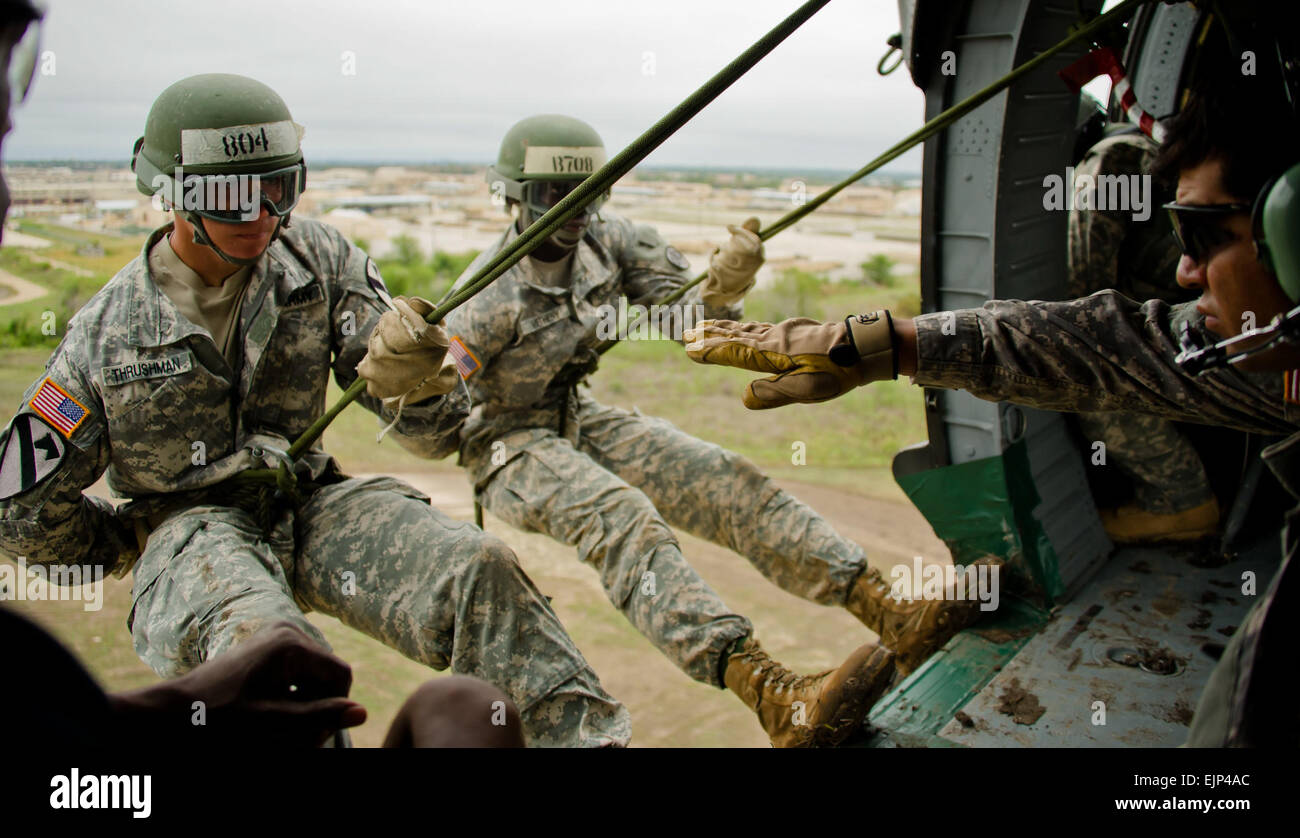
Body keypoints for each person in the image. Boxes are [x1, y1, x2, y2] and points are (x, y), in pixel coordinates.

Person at [0, 70, 628, 748]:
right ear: (171, 196)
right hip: (193, 534)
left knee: (482, 570)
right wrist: (132, 541)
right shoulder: (107, 334)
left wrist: (418, 377)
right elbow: (20, 509)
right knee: (275, 661)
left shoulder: (320, 261)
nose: (262, 216)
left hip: (312, 504)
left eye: (279, 189)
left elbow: (433, 429)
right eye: (231, 198)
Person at [684, 86, 1300, 747]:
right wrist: (877, 346)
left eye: (1206, 233)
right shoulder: (1270, 358)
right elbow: (1106, 346)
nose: (1184, 270)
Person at [444, 113, 996, 747]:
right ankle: (771, 696)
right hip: (505, 442)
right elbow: (435, 415)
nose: (575, 213)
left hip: (576, 412)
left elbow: (691, 323)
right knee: (623, 520)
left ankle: (886, 611)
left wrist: (722, 287)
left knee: (724, 478)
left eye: (590, 195)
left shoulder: (614, 243)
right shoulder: (483, 300)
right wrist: (409, 375)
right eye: (552, 197)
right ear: (512, 196)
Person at [1066, 129, 1219, 541]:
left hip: (1206, 331)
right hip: (1207, 327)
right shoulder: (1138, 154)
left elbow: (1089, 302)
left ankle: (1183, 502)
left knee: (1090, 376)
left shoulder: (1109, 162)